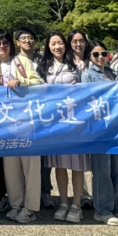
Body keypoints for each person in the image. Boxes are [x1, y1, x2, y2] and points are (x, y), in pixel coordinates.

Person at [38, 32, 88, 222]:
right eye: (53, 43)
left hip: (75, 122)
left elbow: (88, 90)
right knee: (59, 164)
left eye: (60, 43)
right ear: (48, 46)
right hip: (55, 123)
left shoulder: (76, 65)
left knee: (77, 165)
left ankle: (76, 204)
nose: (57, 47)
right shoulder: (44, 67)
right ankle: (64, 202)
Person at [0, 29, 43, 223]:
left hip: (27, 121)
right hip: (5, 123)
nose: (2, 46)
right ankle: (16, 204)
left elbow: (39, 82)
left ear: (11, 44)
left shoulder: (22, 62)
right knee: (11, 167)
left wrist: (21, 81)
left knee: (31, 167)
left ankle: (30, 208)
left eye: (5, 42)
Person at [82, 41, 118, 227]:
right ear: (89, 56)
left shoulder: (112, 73)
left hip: (116, 128)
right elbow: (87, 99)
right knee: (102, 171)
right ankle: (102, 210)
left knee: (117, 170)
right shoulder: (88, 75)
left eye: (103, 54)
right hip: (99, 129)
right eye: (95, 54)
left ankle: (113, 205)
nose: (100, 57)